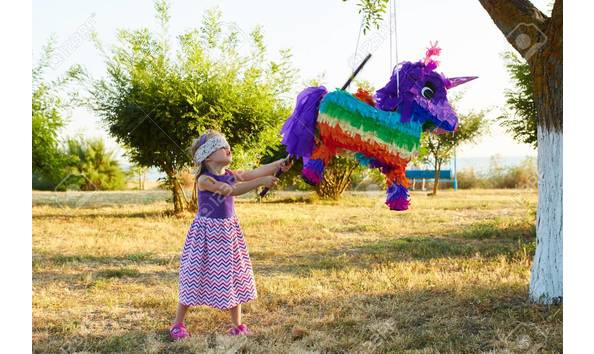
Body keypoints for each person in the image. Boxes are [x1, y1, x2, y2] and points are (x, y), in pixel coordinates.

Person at [170, 129, 292, 340]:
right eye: (221, 146)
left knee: (231, 274)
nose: (228, 148)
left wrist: (279, 163)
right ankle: (178, 324)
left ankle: (237, 325)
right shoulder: (204, 180)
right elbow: (230, 190)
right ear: (207, 156)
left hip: (227, 233)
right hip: (206, 236)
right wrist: (261, 182)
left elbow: (254, 172)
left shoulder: (230, 174)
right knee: (194, 276)